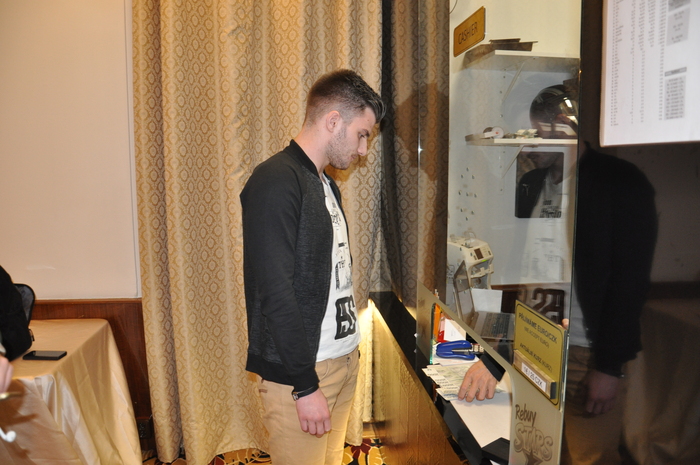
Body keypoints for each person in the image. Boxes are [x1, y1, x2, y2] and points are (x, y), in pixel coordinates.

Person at [459, 145, 658, 465]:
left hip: (584, 352)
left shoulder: (617, 180)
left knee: (591, 456)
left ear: (564, 124)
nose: (527, 147)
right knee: (536, 453)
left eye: (539, 131)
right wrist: (499, 355)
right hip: (534, 345)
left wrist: (608, 367)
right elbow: (520, 277)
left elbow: (630, 281)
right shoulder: (532, 182)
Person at [240, 69, 384, 465]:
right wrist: (304, 386)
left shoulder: (325, 184)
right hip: (303, 376)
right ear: (333, 121)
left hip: (342, 360)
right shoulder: (276, 180)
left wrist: (349, 358)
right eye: (362, 134)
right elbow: (275, 291)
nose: (363, 150)